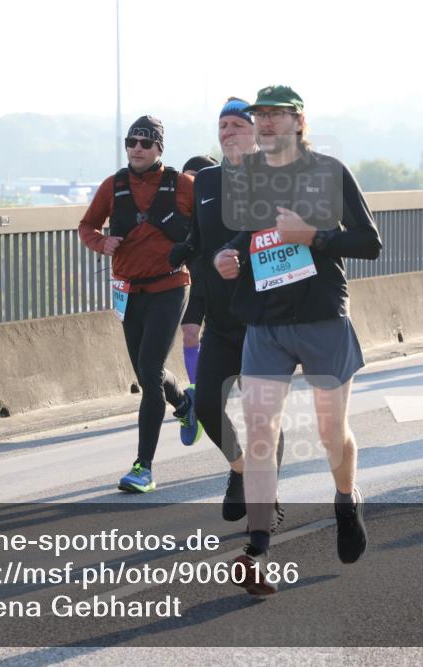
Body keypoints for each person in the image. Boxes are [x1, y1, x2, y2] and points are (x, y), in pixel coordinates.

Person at [213, 85, 382, 596]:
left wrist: (314, 237)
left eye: (275, 116)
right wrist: (229, 257)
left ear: (299, 122)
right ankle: (257, 549)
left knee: (332, 432)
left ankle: (346, 500)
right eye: (259, 115)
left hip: (321, 316)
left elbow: (369, 242)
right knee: (260, 428)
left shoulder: (329, 173)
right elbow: (248, 236)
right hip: (265, 321)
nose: (264, 123)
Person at [169, 100, 286, 524]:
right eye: (223, 125)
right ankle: (239, 470)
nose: (229, 131)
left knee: (263, 417)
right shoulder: (207, 181)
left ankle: (265, 498)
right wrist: (182, 249)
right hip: (220, 321)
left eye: (238, 124)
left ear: (256, 132)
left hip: (262, 320)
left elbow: (282, 237)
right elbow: (200, 236)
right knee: (206, 408)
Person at [77, 115, 200, 493]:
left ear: (159, 148)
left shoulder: (183, 185)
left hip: (171, 286)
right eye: (132, 142)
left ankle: (143, 468)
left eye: (146, 143)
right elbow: (87, 227)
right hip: (130, 291)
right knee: (149, 372)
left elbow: (209, 224)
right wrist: (102, 243)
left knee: (148, 372)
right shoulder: (112, 187)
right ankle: (183, 405)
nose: (137, 149)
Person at [174, 155, 219, 438]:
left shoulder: (218, 208)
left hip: (222, 285)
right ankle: (196, 397)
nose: (189, 185)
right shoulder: (180, 209)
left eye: (195, 179)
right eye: (185, 178)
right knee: (190, 333)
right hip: (195, 283)